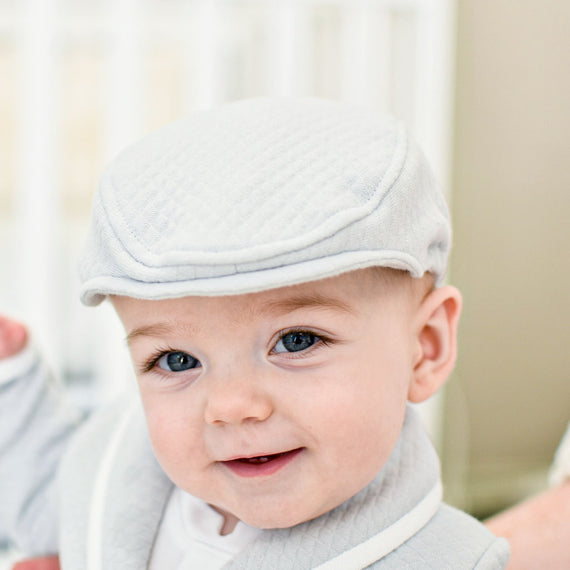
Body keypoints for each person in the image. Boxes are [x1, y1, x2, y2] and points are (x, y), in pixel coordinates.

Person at [0, 98, 510, 569]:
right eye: (177, 360)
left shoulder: (451, 561)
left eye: (296, 341)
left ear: (425, 348)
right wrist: (11, 380)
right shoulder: (128, 468)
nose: (230, 405)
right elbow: (55, 504)